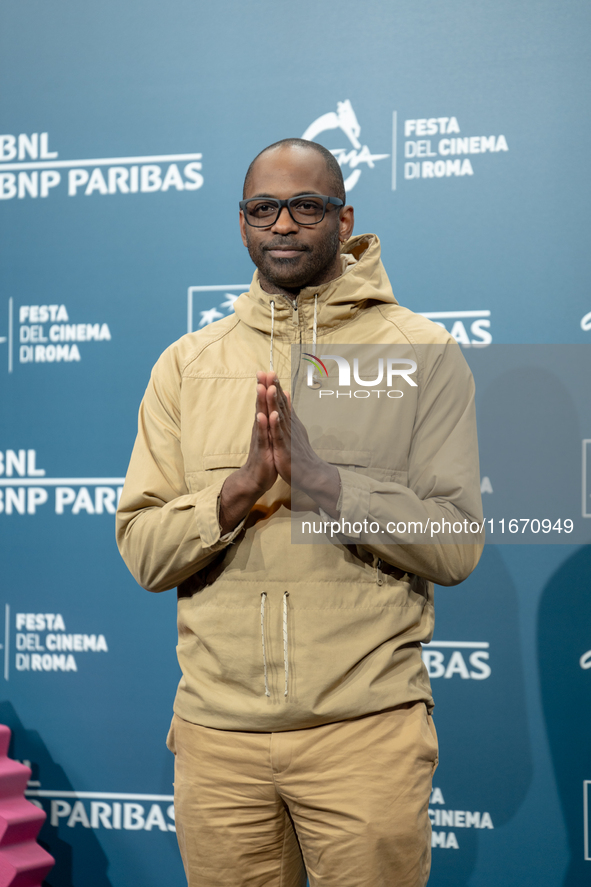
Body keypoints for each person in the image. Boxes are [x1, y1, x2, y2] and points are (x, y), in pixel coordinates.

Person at [116, 138, 483, 887]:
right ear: (242, 223)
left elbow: (455, 544)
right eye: (264, 208)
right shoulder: (186, 364)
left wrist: (325, 483)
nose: (283, 224)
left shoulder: (423, 352)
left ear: (342, 219)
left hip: (364, 736)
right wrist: (236, 491)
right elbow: (144, 550)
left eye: (305, 206)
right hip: (218, 746)